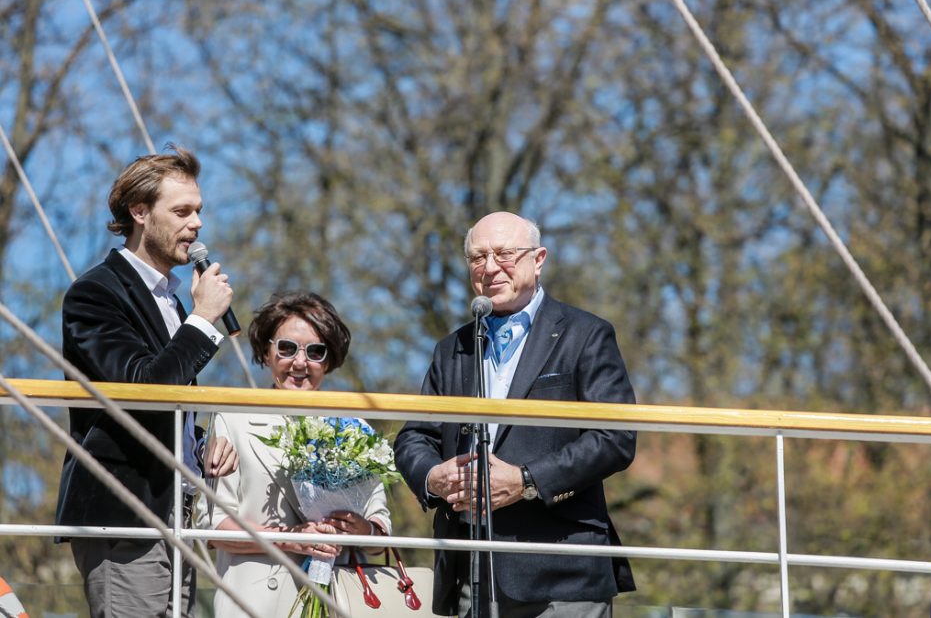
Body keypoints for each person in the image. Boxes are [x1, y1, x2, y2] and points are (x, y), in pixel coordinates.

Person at [394, 211, 637, 618]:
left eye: (504, 254)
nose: (490, 268)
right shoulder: (452, 349)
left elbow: (615, 438)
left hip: (561, 573)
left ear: (538, 259)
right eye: (477, 257)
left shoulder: (586, 334)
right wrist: (433, 477)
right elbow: (415, 437)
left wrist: (526, 481)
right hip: (468, 569)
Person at [54, 145, 239, 618]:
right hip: (125, 515)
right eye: (181, 211)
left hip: (176, 515)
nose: (196, 224)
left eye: (199, 211)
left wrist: (201, 446)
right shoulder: (95, 294)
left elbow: (171, 405)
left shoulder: (174, 302)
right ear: (139, 211)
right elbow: (145, 389)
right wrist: (202, 320)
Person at [195, 291, 392, 618]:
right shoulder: (233, 419)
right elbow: (213, 525)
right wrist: (289, 540)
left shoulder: (354, 427)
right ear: (267, 352)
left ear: (328, 360)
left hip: (339, 599)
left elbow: (380, 531)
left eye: (315, 352)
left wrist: (360, 530)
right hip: (254, 602)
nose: (300, 362)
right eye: (287, 348)